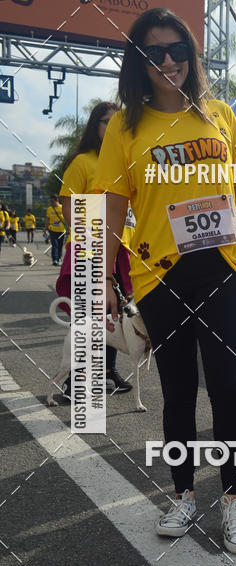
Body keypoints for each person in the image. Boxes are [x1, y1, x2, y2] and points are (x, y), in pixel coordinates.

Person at [94, 6, 236, 553]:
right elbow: (112, 209)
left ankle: (234, 501)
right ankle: (183, 494)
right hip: (159, 275)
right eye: (155, 52)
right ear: (138, 61)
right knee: (178, 390)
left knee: (228, 387)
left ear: (192, 57)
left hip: (223, 270)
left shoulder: (219, 115)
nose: (168, 61)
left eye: (179, 50)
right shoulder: (125, 127)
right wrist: (102, 284)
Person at [57, 101, 133, 398]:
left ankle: (107, 372)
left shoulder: (123, 164)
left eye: (119, 122)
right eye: (106, 121)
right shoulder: (82, 163)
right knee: (87, 318)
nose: (112, 127)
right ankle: (73, 380)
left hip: (119, 252)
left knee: (112, 315)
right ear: (95, 126)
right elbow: (68, 210)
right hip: (88, 251)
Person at [45, 195, 66, 265]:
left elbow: (66, 218)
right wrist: (45, 230)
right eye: (50, 201)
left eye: (52, 201)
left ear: (57, 200)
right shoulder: (49, 209)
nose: (51, 203)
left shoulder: (62, 207)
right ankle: (54, 260)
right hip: (52, 230)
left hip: (61, 230)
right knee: (54, 245)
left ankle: (59, 259)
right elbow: (47, 220)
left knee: (60, 245)